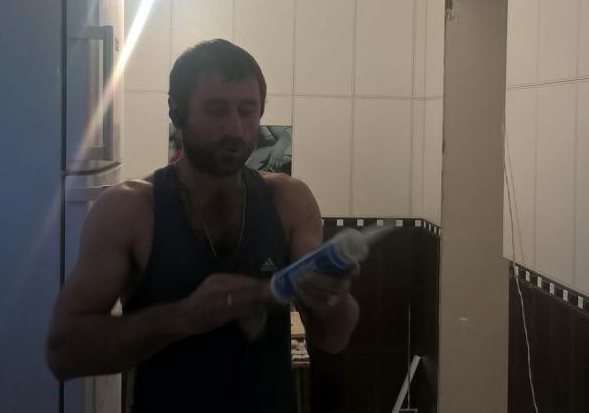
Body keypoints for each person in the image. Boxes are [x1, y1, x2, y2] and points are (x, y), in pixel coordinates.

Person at [46, 39, 360, 412]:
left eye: (248, 110)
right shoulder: (130, 209)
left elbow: (334, 339)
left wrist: (331, 297)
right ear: (176, 112)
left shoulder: (289, 201)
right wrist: (181, 317)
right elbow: (64, 353)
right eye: (217, 110)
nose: (236, 129)